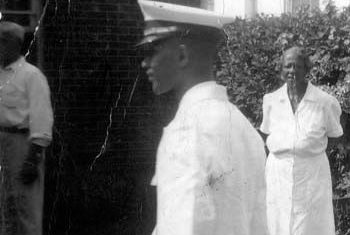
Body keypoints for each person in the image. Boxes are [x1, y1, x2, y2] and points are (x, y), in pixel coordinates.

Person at [138, 1, 268, 235]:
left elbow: (183, 226)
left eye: (152, 50)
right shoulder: (243, 127)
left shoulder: (187, 129)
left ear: (181, 55)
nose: (145, 62)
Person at [260, 46, 343, 235]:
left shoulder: (325, 102)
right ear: (281, 70)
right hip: (278, 174)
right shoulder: (270, 100)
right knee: (277, 222)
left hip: (312, 174)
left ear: (307, 69)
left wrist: (307, 151)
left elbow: (335, 137)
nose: (292, 71)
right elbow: (266, 134)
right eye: (287, 66)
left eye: (297, 66)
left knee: (311, 225)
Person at [0, 21, 53, 235]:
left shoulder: (31, 76)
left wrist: (33, 158)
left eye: (3, 41)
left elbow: (41, 119)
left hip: (22, 146)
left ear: (17, 44)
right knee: (5, 208)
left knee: (26, 207)